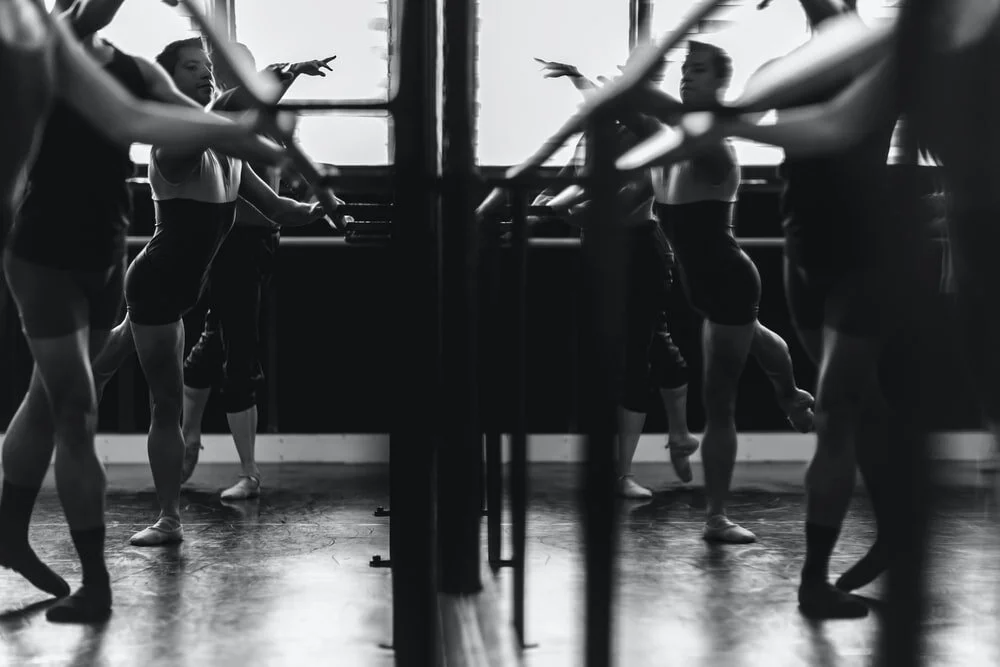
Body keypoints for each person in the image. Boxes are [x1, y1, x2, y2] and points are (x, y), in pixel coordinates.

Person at [0, 0, 286, 624]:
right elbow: (130, 117)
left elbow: (193, 117)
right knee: (76, 408)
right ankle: (96, 583)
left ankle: (9, 534)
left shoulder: (133, 68)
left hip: (102, 254)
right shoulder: (41, 45)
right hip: (44, 252)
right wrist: (242, 127)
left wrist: (249, 128)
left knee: (47, 399)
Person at [88, 36, 325, 550]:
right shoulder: (175, 146)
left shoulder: (228, 156)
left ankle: (62, 408)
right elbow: (224, 110)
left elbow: (278, 210)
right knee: (166, 405)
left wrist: (322, 208)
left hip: (180, 289)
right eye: (191, 67)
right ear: (168, 82)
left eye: (206, 67)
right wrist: (283, 70)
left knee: (100, 369)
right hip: (157, 285)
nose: (204, 73)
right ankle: (168, 520)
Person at [650, 41, 815, 544]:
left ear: (720, 82)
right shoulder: (672, 143)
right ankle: (791, 395)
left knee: (718, 404)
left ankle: (716, 517)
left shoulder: (713, 146)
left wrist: (634, 86)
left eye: (698, 70)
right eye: (684, 69)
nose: (686, 76)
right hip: (704, 284)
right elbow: (642, 114)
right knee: (757, 335)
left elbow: (656, 109)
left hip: (726, 281)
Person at [533, 57, 700, 499]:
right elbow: (563, 182)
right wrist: (535, 208)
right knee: (653, 345)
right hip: (601, 253)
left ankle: (622, 472)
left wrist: (561, 211)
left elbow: (619, 205)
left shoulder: (652, 142)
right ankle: (680, 434)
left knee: (634, 358)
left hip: (639, 253)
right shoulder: (595, 133)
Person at [179, 44, 338, 500]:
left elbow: (286, 182)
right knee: (236, 349)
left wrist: (322, 204)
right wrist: (292, 70)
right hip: (231, 244)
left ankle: (192, 438)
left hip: (258, 244)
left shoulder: (259, 120)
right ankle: (244, 469)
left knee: (216, 340)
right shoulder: (224, 118)